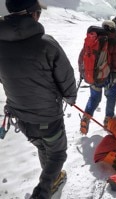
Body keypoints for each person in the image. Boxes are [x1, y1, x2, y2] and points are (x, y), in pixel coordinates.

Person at [0, 0, 77, 198]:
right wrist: (70, 97)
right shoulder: (46, 43)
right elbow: (66, 76)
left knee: (43, 145)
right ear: (32, 14)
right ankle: (44, 189)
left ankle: (52, 177)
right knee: (57, 153)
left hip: (22, 116)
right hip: (48, 117)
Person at [78, 20, 116, 134]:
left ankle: (86, 117)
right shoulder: (114, 42)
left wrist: (85, 72)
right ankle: (108, 120)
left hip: (93, 77)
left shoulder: (92, 40)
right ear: (112, 29)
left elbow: (82, 57)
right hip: (108, 78)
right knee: (111, 96)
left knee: (94, 98)